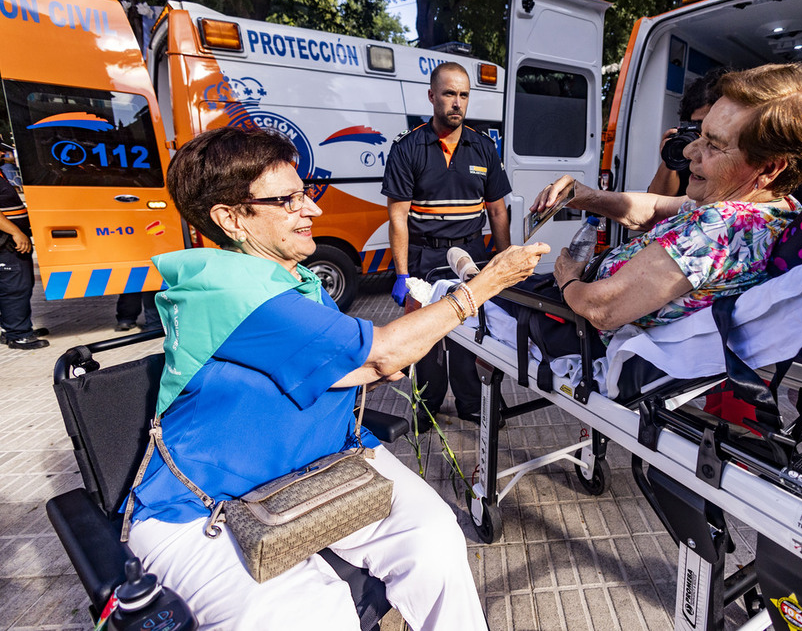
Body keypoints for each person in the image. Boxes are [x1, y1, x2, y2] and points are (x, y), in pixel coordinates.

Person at [125, 126, 547, 630]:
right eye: (289, 199)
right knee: (315, 609)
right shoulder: (233, 292)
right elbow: (383, 356)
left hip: (317, 467)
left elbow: (342, 364)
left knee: (435, 537)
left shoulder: (290, 277)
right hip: (205, 507)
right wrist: (487, 283)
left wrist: (365, 370)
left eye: (305, 193)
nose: (314, 210)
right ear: (231, 218)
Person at [530, 63, 802, 346]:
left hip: (575, 328)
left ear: (767, 168)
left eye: (713, 145)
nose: (690, 152)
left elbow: (600, 308)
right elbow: (654, 209)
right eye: (699, 135)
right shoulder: (775, 207)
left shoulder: (717, 229)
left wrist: (569, 278)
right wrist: (586, 195)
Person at [381, 62, 512, 429]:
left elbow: (498, 212)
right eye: (450, 93)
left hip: (472, 254)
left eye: (464, 95)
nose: (457, 102)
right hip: (426, 256)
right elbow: (398, 218)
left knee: (472, 332)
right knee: (427, 338)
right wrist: (403, 274)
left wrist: (503, 264)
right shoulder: (409, 148)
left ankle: (473, 404)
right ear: (432, 96)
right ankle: (426, 407)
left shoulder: (484, 148)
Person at [647, 69, 726, 196]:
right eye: (697, 125)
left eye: (710, 125)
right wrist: (670, 159)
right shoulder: (688, 148)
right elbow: (656, 201)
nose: (703, 135)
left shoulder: (735, 154)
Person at [0, 148, 48, 350]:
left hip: (9, 240)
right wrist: (16, 232)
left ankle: (15, 328)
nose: (2, 153)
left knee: (18, 285)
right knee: (15, 287)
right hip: (6, 241)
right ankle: (19, 334)